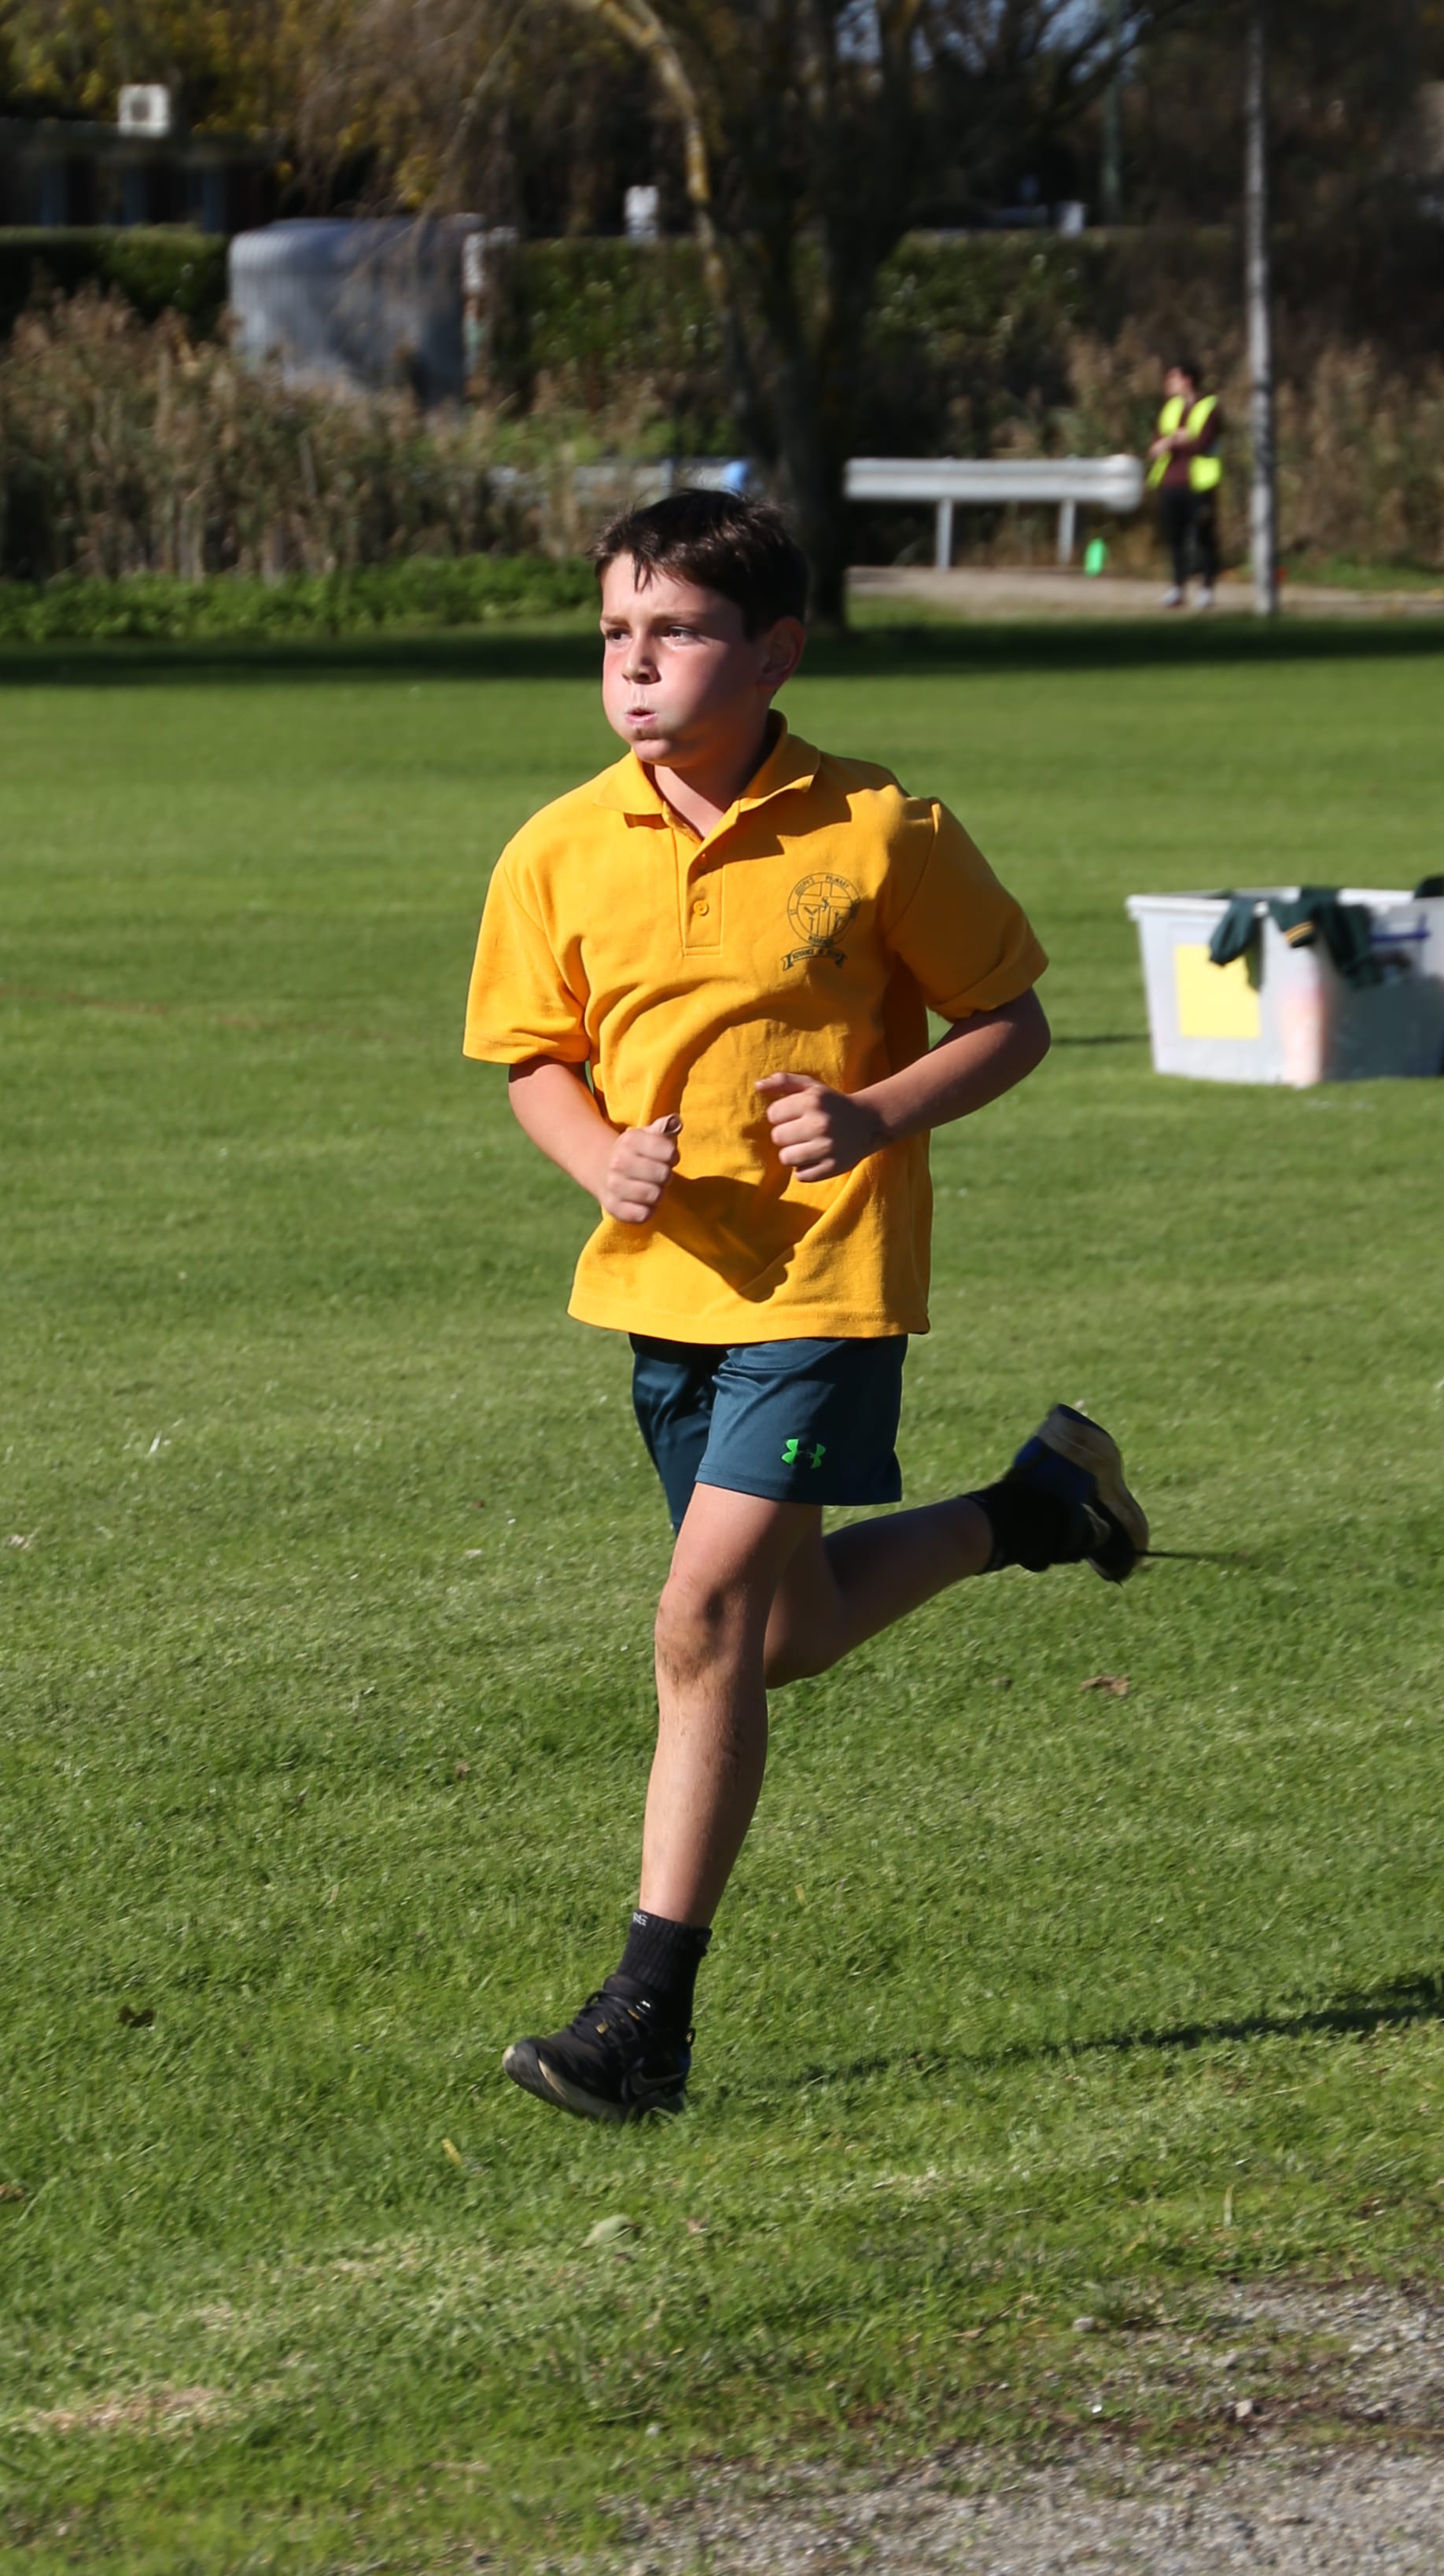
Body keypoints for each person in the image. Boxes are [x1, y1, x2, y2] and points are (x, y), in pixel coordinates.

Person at [462, 488, 1148, 2126]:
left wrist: (873, 1117)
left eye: (677, 632)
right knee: (776, 1638)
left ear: (775, 651)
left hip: (824, 1286)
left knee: (699, 1620)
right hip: (662, 1290)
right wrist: (594, 1162)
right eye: (616, 633)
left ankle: (644, 2018)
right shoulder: (557, 846)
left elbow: (1015, 1019)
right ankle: (1034, 1508)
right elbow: (530, 1060)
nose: (636, 665)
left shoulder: (878, 830)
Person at [1147, 359, 1223, 609]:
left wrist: (1175, 442)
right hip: (1171, 481)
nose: (1169, 383)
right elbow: (1158, 444)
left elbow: (1202, 443)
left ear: (1187, 380)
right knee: (1175, 538)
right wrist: (1175, 439)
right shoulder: (1170, 408)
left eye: (1173, 378)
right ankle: (1178, 588)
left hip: (1199, 483)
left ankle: (1207, 590)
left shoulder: (1209, 407)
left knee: (1204, 537)